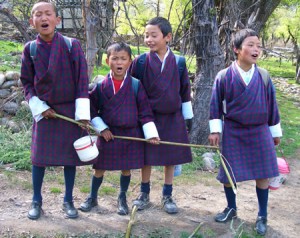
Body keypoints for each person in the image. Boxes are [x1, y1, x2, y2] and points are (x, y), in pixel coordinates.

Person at [20, 1, 93, 220]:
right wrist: (40, 108)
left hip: (69, 111)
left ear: (57, 20)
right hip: (44, 113)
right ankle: (36, 201)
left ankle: (68, 201)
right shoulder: (30, 49)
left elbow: (82, 80)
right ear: (32, 22)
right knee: (38, 159)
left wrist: (82, 116)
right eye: (38, 15)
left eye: (48, 14)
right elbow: (26, 83)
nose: (44, 18)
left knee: (69, 159)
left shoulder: (72, 45)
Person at [208, 28, 282, 236]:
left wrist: (274, 132)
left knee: (264, 174)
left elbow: (272, 106)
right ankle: (231, 208)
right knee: (227, 174)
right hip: (233, 131)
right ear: (236, 49)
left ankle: (262, 215)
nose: (256, 49)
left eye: (258, 45)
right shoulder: (224, 76)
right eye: (250, 45)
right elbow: (215, 105)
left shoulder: (264, 76)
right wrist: (215, 131)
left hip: (259, 131)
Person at [79, 42, 160, 215]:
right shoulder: (101, 86)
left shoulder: (136, 85)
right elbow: (92, 110)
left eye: (123, 59)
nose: (119, 63)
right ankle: (92, 197)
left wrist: (151, 134)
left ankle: (122, 198)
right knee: (99, 167)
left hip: (130, 135)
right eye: (115, 59)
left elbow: (145, 112)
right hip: (108, 134)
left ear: (129, 62)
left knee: (126, 168)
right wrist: (102, 128)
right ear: (108, 61)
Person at [129, 17, 193, 214]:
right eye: (146, 35)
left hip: (173, 117)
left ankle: (167, 194)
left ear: (167, 37)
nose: (148, 39)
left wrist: (187, 119)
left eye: (153, 35)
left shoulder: (179, 63)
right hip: (148, 118)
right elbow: (133, 90)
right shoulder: (140, 62)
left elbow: (184, 92)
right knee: (146, 157)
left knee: (170, 157)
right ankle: (144, 193)